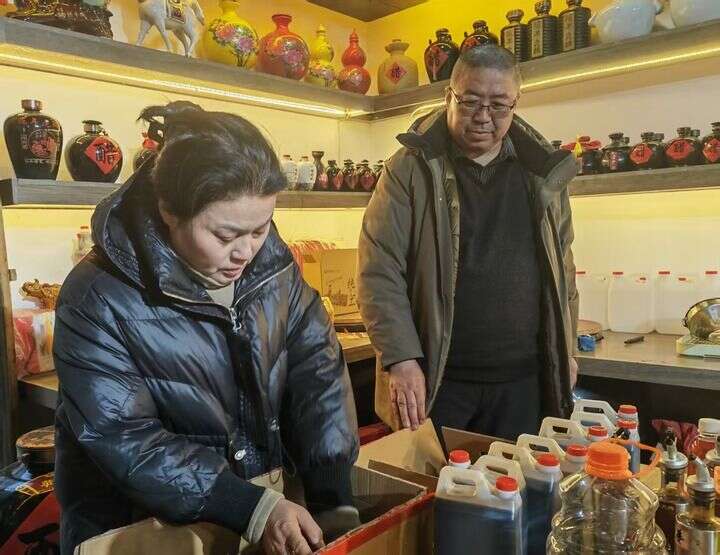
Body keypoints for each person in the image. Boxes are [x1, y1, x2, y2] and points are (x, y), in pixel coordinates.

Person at [53, 102, 359, 555]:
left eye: (260, 229)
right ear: (169, 211)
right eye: (225, 236)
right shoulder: (97, 296)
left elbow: (318, 368)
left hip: (253, 515)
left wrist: (332, 493)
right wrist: (248, 506)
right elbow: (124, 436)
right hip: (141, 532)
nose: (246, 252)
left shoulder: (272, 268)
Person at [358, 45, 579, 444]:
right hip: (438, 379)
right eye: (471, 101)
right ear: (449, 96)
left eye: (498, 105)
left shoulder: (542, 172)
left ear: (515, 103)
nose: (483, 116)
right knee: (435, 483)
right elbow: (380, 271)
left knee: (518, 482)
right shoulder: (410, 168)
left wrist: (568, 352)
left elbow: (564, 270)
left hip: (523, 383)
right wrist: (400, 358)